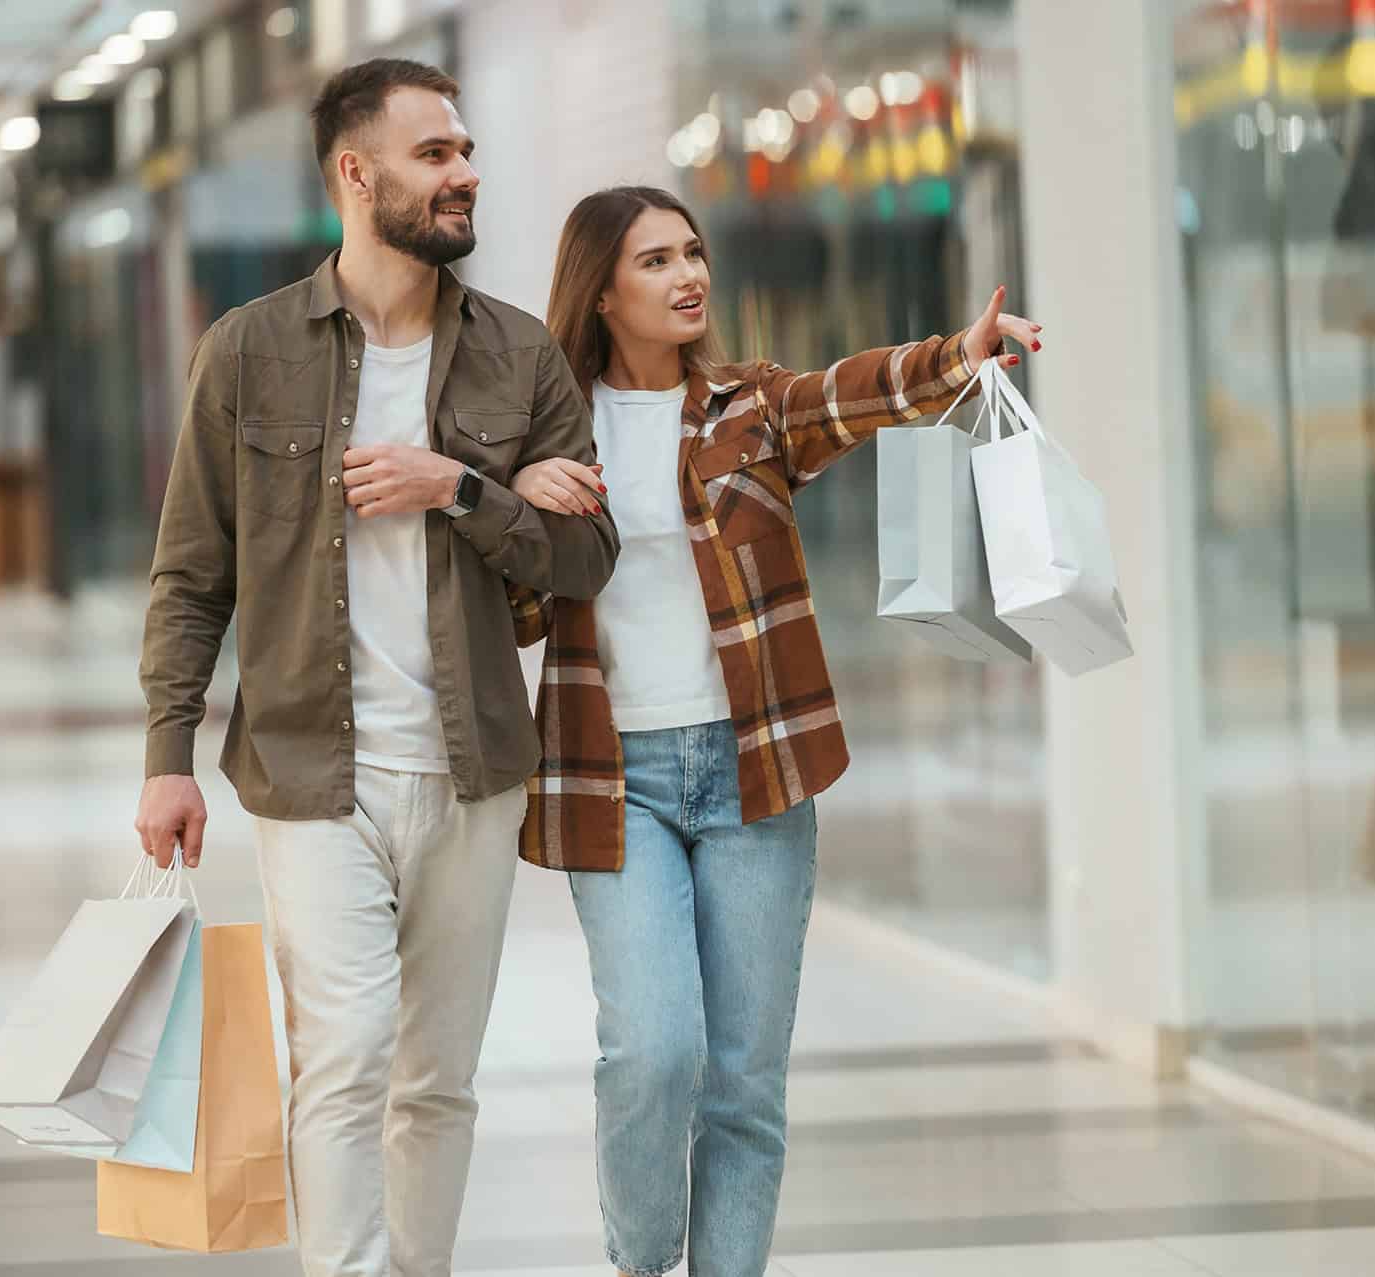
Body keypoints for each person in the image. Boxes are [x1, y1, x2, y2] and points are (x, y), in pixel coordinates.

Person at [132, 58, 618, 1277]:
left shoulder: (518, 356)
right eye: (435, 154)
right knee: (344, 1052)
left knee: (437, 1078)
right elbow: (194, 572)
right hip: (311, 769)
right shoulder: (248, 353)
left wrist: (458, 488)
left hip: (472, 769)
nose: (465, 174)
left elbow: (587, 557)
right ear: (357, 173)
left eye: (464, 150)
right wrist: (166, 759)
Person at [508, 184, 1040, 1277]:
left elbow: (856, 392)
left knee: (745, 1081)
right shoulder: (552, 429)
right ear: (601, 290)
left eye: (693, 253)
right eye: (655, 261)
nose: (688, 275)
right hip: (618, 783)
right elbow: (512, 608)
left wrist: (961, 354)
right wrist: (517, 495)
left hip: (758, 768)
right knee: (653, 1050)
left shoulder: (749, 406)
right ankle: (641, 1259)